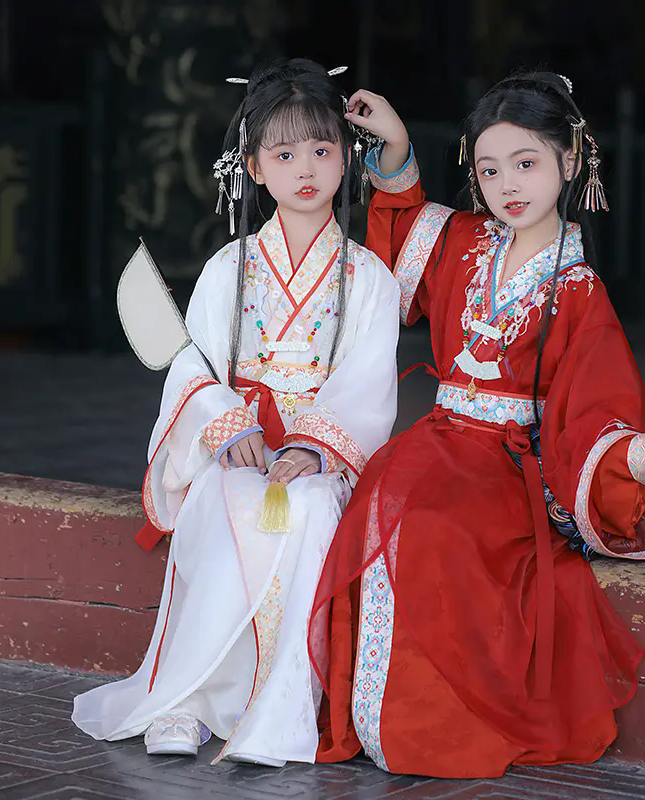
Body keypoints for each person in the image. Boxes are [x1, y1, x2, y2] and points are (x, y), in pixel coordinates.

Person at [308, 71, 645, 779]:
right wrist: (395, 145)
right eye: (489, 170)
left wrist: (637, 455)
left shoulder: (579, 291)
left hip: (506, 464)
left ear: (570, 162)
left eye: (527, 164)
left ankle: (425, 726)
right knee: (376, 506)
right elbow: (399, 228)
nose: (507, 185)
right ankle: (364, 714)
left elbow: (593, 407)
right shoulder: (462, 241)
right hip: (435, 440)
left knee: (436, 533)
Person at [72, 58, 400, 767]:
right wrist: (228, 428)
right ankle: (185, 700)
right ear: (252, 167)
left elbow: (367, 382)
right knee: (221, 502)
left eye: (322, 150)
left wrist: (315, 448)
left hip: (314, 455)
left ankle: (275, 708)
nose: (306, 168)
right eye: (284, 154)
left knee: (310, 509)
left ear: (347, 155)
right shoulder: (231, 267)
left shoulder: (370, 278)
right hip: (241, 444)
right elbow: (194, 364)